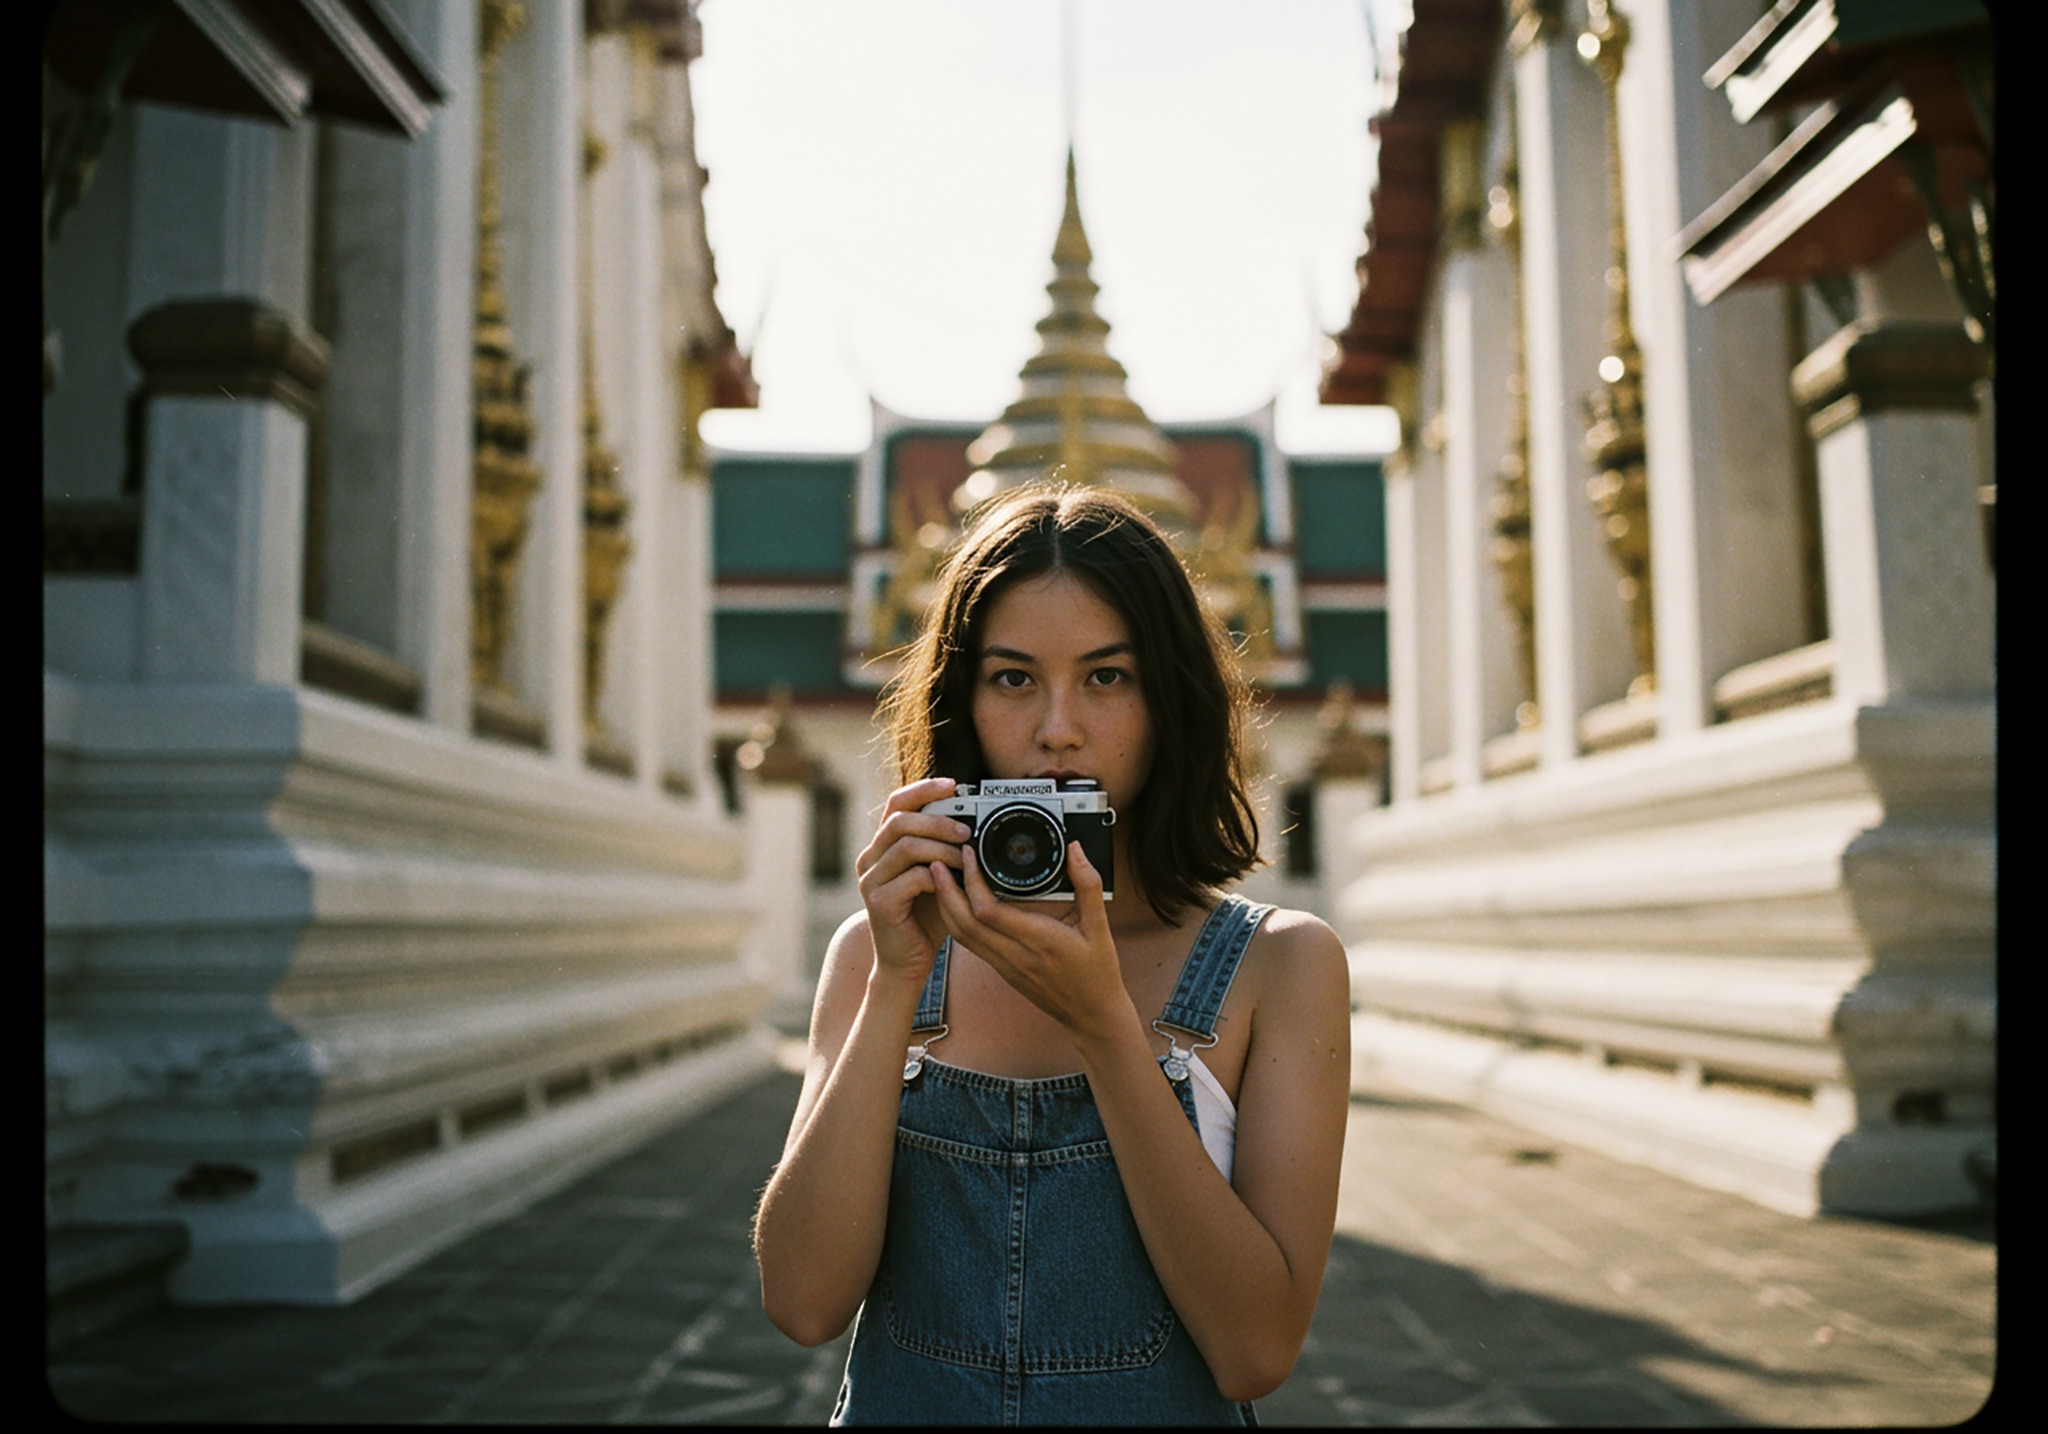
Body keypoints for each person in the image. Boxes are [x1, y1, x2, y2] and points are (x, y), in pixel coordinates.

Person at [753, 483, 1351, 1426]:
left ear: (1169, 700)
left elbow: (1255, 1349)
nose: (1057, 728)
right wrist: (897, 983)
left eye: (1107, 677)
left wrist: (1106, 1025)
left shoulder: (1277, 966)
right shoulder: (882, 954)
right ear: (965, 701)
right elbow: (803, 1302)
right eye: (1013, 678)